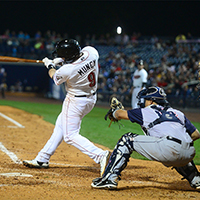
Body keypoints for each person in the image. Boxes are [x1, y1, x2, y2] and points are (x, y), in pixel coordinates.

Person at [23, 39, 110, 176]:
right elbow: (78, 63)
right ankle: (42, 158)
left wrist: (50, 65)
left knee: (70, 135)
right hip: (91, 99)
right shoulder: (91, 52)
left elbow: (54, 76)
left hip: (75, 101)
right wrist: (62, 60)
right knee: (60, 126)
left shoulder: (67, 70)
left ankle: (100, 155)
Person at [91, 86, 200, 190]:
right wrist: (180, 144)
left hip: (168, 149)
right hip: (190, 152)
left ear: (152, 101)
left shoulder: (145, 111)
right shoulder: (177, 113)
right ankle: (197, 180)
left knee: (127, 139)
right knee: (179, 148)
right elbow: (196, 134)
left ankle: (108, 179)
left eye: (145, 99)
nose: (143, 102)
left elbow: (119, 114)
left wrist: (114, 112)